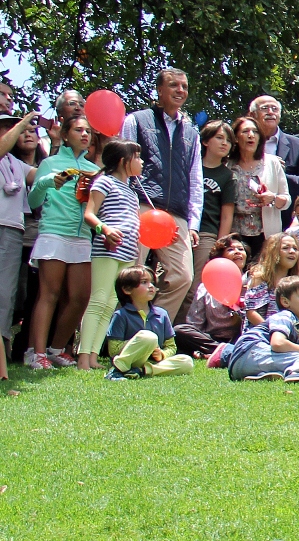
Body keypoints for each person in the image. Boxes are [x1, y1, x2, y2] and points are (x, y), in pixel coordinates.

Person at [120, 68, 201, 317]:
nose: (180, 91)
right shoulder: (136, 120)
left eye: (184, 86)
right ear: (159, 90)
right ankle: (119, 333)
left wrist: (193, 223)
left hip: (175, 212)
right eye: (174, 85)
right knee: (130, 275)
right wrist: (127, 206)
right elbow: (122, 167)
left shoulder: (191, 132)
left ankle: (151, 329)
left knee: (182, 277)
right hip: (141, 206)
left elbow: (195, 179)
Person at [24, 112, 97, 369]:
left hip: (82, 238)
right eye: (78, 130)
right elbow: (32, 202)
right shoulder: (51, 163)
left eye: (88, 131)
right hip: (54, 232)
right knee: (49, 294)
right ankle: (36, 354)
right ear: (65, 135)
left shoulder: (95, 170)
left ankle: (56, 349)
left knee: (80, 297)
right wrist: (48, 181)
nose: (85, 134)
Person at [77, 139, 148, 370]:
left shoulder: (131, 191)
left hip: (127, 250)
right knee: (98, 300)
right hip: (107, 248)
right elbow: (89, 214)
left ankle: (94, 356)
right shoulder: (104, 182)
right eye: (137, 157)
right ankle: (83, 357)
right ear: (122, 161)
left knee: (110, 303)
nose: (142, 161)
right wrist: (105, 229)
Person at [221, 274, 299, 382]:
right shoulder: (285, 316)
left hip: (239, 367)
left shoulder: (298, 328)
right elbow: (278, 344)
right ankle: (298, 373)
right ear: (285, 302)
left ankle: (263, 375)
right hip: (251, 352)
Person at [103, 264, 195, 378]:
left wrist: (161, 354)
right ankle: (119, 368)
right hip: (131, 359)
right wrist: (140, 343)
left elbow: (171, 346)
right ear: (127, 289)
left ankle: (141, 371)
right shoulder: (121, 315)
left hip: (151, 362)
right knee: (149, 337)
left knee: (187, 362)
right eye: (144, 282)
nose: (151, 286)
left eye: (152, 282)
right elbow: (113, 350)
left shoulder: (161, 314)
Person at [176, 236, 251, 362]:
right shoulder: (206, 287)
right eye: (230, 249)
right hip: (211, 339)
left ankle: (222, 352)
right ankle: (224, 350)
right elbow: (195, 322)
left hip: (242, 335)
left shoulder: (253, 282)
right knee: (179, 331)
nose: (238, 252)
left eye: (241, 249)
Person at [226, 114, 289, 253]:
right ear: (235, 138)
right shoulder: (228, 166)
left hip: (266, 234)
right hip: (236, 234)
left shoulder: (272, 162)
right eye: (245, 131)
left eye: (255, 132)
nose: (251, 135)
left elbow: (287, 200)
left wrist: (272, 198)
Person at [248, 95, 299, 224]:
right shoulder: (242, 143)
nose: (270, 112)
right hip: (247, 217)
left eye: (275, 109)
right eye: (265, 108)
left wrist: (278, 173)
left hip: (283, 219)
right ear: (252, 114)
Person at [0, 115, 32, 362]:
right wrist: (22, 124)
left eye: (13, 125)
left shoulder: (16, 164)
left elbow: (42, 175)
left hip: (12, 230)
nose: (13, 130)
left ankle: (2, 352)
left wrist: (57, 143)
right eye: (6, 126)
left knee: (6, 294)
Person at [195, 119, 239, 254]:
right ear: (205, 141)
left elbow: (227, 215)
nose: (224, 143)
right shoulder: (190, 168)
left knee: (201, 274)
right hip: (182, 228)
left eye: (229, 141)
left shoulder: (228, 176)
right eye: (219, 138)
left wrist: (220, 245)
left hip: (207, 234)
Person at [243, 230, 299, 327]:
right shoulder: (260, 277)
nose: (292, 251)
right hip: (260, 336)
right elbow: (251, 313)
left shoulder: (294, 283)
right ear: (273, 252)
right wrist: (272, 332)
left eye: (295, 249)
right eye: (286, 248)